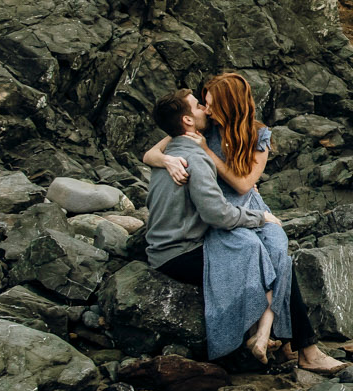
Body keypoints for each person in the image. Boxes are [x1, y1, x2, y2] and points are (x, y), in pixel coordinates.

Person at [143, 75, 342, 374]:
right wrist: (167, 161)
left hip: (241, 206)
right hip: (213, 217)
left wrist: (207, 154)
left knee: (278, 248)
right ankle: (299, 347)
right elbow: (155, 151)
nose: (206, 110)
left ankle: (270, 336)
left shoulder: (256, 134)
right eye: (202, 104)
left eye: (208, 104)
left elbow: (243, 184)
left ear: (224, 106)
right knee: (265, 258)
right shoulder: (197, 131)